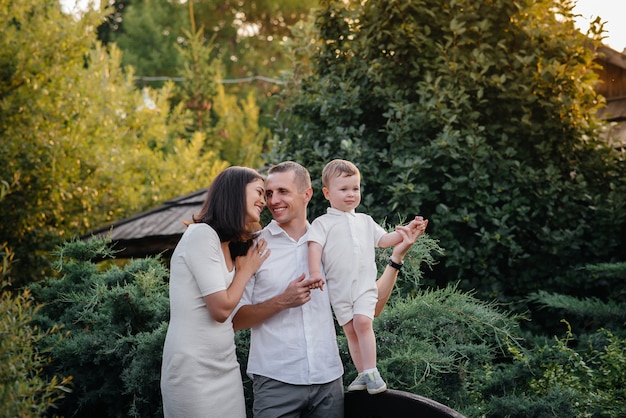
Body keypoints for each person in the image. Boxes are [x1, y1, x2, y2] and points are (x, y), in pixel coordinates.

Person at [232, 161, 427, 417]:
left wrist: (396, 258)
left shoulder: (333, 238)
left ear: (307, 194)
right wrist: (283, 300)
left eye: (282, 191)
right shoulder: (253, 247)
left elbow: (373, 306)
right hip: (275, 380)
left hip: (329, 383)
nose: (273, 200)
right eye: (269, 193)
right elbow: (235, 319)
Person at [307, 159, 426, 395]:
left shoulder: (365, 221)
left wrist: (406, 231)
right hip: (339, 290)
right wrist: (314, 273)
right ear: (327, 193)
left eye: (355, 188)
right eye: (344, 189)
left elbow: (384, 241)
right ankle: (362, 373)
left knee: (363, 322)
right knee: (351, 330)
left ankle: (371, 370)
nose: (351, 194)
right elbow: (314, 248)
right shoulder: (322, 223)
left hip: (364, 286)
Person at [160, 166, 271, 418]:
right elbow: (221, 309)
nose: (264, 200)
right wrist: (245, 272)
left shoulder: (229, 244)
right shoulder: (202, 235)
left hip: (225, 365)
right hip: (193, 368)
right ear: (234, 193)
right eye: (259, 192)